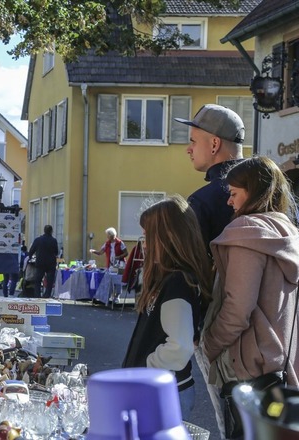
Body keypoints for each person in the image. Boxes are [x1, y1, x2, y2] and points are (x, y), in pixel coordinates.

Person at [200, 157, 299, 436]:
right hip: (281, 372)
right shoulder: (288, 235)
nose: (230, 202)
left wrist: (210, 345)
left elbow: (238, 307)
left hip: (249, 372)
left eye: (233, 194)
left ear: (255, 191)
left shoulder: (247, 235)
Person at [122, 195, 212, 420]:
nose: (143, 243)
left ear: (168, 238)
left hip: (163, 393)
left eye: (147, 236)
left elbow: (180, 347)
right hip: (159, 390)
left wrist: (145, 366)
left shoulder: (178, 283)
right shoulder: (168, 279)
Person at [175, 104, 245, 251]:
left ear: (214, 144)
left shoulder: (202, 201)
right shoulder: (272, 187)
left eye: (193, 141)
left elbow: (191, 265)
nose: (188, 149)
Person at [28, 225, 59, 298]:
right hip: (51, 263)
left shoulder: (38, 240)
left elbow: (31, 250)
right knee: (50, 281)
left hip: (40, 262)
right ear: (51, 231)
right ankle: (47, 294)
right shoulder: (53, 240)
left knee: (38, 280)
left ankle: (37, 295)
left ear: (44, 231)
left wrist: (30, 258)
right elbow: (56, 252)